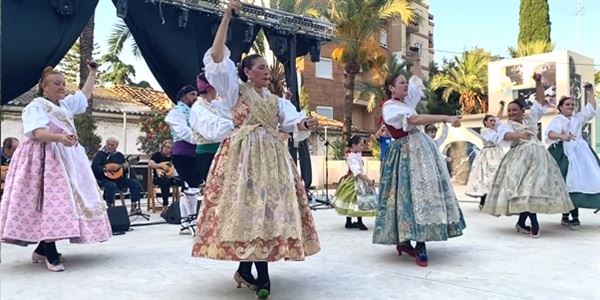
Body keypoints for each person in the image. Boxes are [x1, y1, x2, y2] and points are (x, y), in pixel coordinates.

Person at [191, 1, 320, 298]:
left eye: (266, 67)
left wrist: (306, 124)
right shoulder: (234, 90)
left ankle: (250, 271)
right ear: (247, 72)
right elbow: (217, 56)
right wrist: (226, 17)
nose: (265, 71)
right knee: (247, 212)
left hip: (273, 158)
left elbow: (291, 123)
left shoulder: (277, 101)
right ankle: (259, 275)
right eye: (260, 67)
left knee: (267, 212)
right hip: (243, 157)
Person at [0, 64, 111, 272]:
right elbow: (38, 133)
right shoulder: (36, 106)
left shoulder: (65, 105)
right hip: (43, 159)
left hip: (66, 156)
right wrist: (60, 137)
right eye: (56, 83)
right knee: (49, 202)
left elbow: (84, 95)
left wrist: (93, 73)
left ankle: (42, 249)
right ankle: (49, 251)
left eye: (63, 84)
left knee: (65, 203)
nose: (61, 87)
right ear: (44, 86)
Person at [372, 49, 465, 268]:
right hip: (405, 153)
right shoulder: (391, 107)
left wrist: (415, 61)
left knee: (423, 192)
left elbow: (417, 82)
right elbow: (415, 119)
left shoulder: (406, 102)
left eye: (405, 83)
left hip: (420, 149)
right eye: (401, 83)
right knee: (407, 195)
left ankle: (417, 241)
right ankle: (410, 241)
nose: (405, 85)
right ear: (391, 88)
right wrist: (446, 117)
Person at [484, 73, 573, 238]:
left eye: (514, 110)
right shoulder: (506, 125)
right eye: (509, 110)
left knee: (532, 188)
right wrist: (519, 136)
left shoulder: (530, 117)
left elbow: (539, 100)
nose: (511, 113)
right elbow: (503, 137)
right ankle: (534, 223)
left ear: (522, 110)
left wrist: (538, 82)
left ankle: (521, 223)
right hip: (519, 157)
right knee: (525, 189)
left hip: (539, 156)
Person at [544, 83, 599, 230]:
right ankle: (568, 216)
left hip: (580, 152)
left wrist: (590, 91)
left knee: (586, 179)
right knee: (566, 182)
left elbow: (591, 109)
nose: (571, 106)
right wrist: (562, 136)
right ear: (560, 107)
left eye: (572, 104)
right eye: (567, 104)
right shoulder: (558, 120)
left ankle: (573, 216)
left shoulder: (577, 118)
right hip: (563, 153)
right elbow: (550, 133)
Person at [165, 84, 203, 234]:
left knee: (189, 189)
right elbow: (184, 131)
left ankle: (184, 223)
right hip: (183, 153)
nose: (195, 97)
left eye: (196, 95)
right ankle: (192, 221)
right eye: (192, 94)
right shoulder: (176, 112)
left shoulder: (196, 111)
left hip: (195, 152)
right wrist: (202, 138)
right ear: (183, 96)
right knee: (191, 188)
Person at [189, 72, 234, 187]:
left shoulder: (216, 104)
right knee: (216, 192)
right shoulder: (198, 108)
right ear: (210, 87)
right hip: (208, 155)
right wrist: (236, 124)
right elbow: (212, 130)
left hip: (225, 153)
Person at [465, 101, 507, 210]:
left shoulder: (496, 129)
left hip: (497, 153)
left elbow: (498, 118)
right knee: (486, 177)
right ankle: (483, 200)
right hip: (488, 155)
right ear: (485, 122)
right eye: (491, 120)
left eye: (493, 121)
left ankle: (495, 201)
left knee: (498, 176)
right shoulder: (484, 131)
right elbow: (494, 139)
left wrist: (502, 107)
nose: (493, 122)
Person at [334, 135, 377, 230]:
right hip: (354, 180)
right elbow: (357, 172)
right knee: (357, 200)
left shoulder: (356, 154)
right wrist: (368, 181)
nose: (363, 147)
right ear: (354, 145)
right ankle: (358, 221)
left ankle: (350, 221)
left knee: (353, 200)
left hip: (354, 178)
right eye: (361, 145)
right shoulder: (352, 157)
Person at [91, 136, 142, 215]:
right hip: (104, 179)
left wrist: (125, 168)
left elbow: (122, 171)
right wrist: (105, 168)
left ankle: (134, 207)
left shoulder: (119, 155)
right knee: (112, 185)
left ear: (116, 146)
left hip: (119, 179)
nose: (110, 146)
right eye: (108, 144)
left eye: (112, 145)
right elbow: (94, 168)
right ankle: (110, 208)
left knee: (135, 183)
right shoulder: (100, 154)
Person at [148, 139, 181, 208]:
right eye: (165, 146)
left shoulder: (174, 156)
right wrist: (160, 165)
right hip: (159, 178)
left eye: (169, 148)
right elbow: (150, 164)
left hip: (172, 177)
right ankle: (165, 205)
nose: (166, 149)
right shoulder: (157, 155)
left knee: (183, 180)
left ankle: (181, 204)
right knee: (165, 182)